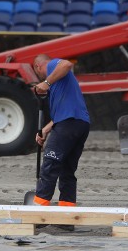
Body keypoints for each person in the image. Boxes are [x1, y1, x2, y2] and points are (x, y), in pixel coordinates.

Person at [32, 54, 90, 207]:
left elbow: (66, 64)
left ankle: (37, 214)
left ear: (38, 67)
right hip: (80, 124)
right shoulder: (61, 83)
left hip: (68, 124)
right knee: (67, 172)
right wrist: (46, 129)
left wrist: (46, 82)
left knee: (49, 167)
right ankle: (66, 217)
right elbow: (64, 112)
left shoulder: (52, 66)